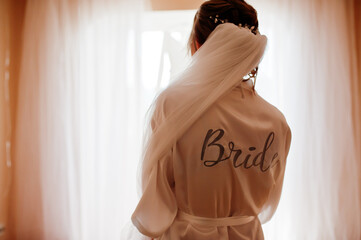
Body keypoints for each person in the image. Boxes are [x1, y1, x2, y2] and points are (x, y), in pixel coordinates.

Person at [130, 0, 292, 239]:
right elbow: (269, 203)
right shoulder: (276, 121)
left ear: (198, 45)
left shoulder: (172, 104)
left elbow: (156, 195)